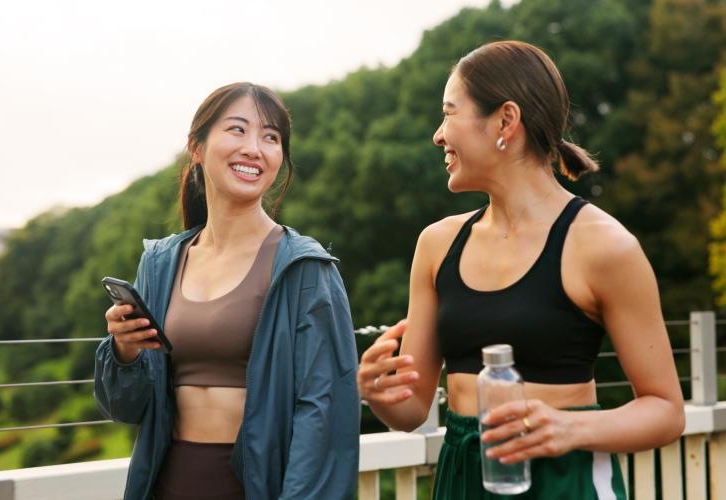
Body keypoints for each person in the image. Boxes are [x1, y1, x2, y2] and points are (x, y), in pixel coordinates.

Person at [357, 41, 685, 499]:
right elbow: (411, 411)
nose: (437, 134)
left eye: (449, 113)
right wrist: (378, 393)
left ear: (505, 121)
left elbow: (667, 411)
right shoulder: (437, 245)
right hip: (461, 481)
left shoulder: (605, 247)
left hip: (564, 484)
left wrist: (570, 430)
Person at [94, 82, 359, 500]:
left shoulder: (305, 269)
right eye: (237, 129)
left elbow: (323, 411)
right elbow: (125, 408)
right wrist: (124, 352)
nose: (254, 148)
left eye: (271, 137)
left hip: (256, 486)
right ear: (196, 148)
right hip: (167, 481)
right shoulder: (161, 263)